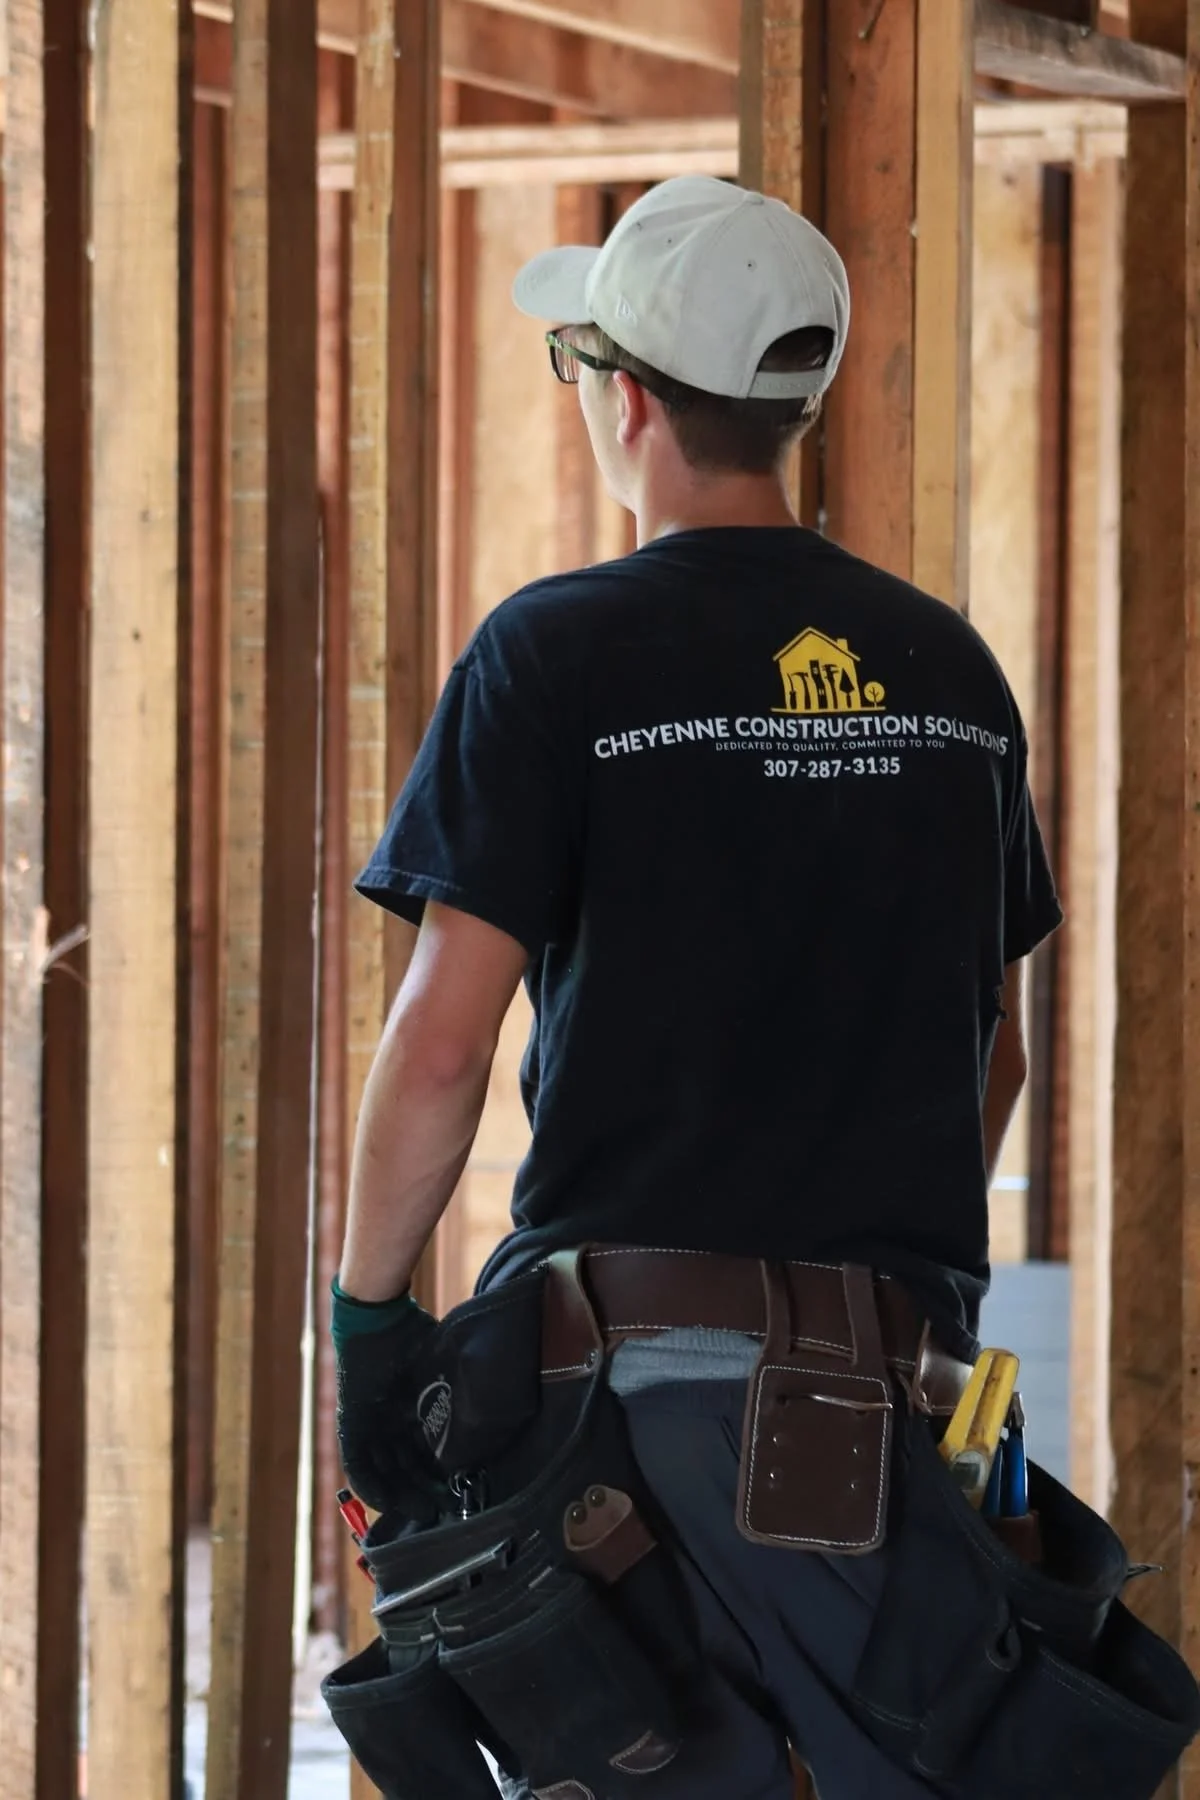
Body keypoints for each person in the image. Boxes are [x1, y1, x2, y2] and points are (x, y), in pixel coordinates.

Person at [331, 176, 1062, 1798]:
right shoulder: (947, 668)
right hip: (895, 1409)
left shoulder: (556, 654)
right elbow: (991, 1055)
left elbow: (443, 1048)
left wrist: (371, 1327)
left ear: (630, 397)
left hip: (633, 1437)